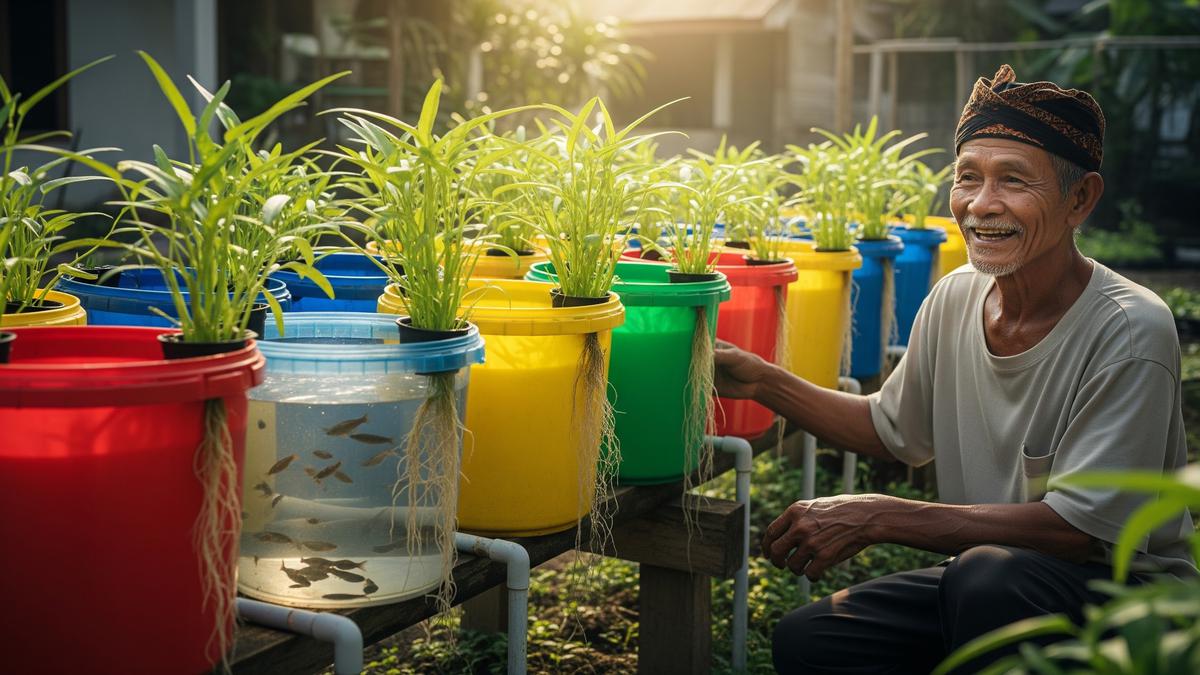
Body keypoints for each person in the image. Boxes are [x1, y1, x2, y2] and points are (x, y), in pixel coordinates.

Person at [714, 64, 1197, 674]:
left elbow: (1081, 531)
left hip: (1123, 605)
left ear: (1081, 199)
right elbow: (891, 429)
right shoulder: (955, 295)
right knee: (811, 639)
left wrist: (879, 515)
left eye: (1014, 181)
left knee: (988, 577)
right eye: (967, 178)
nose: (980, 204)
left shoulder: (1129, 329)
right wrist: (762, 380)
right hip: (988, 578)